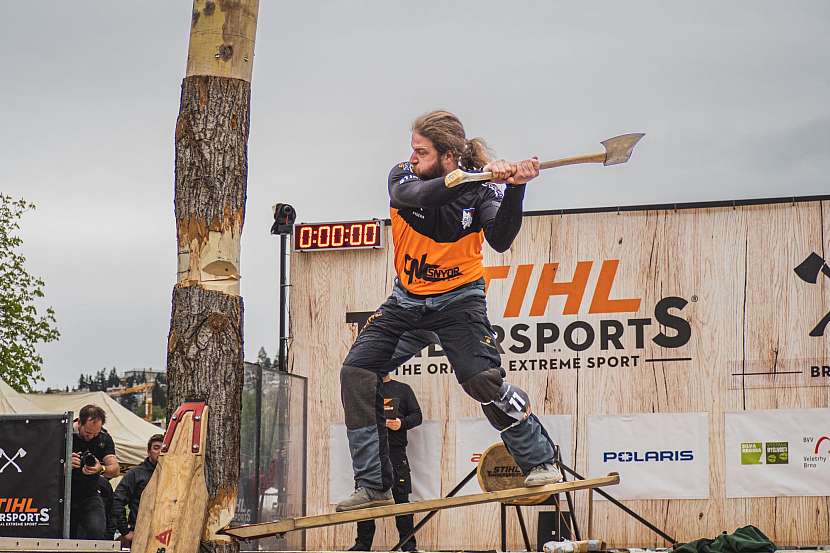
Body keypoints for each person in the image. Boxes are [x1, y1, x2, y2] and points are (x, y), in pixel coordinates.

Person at [337, 110, 562, 512]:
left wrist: (513, 188)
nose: (412, 157)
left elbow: (501, 239)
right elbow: (421, 197)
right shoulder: (404, 177)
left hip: (459, 301)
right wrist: (467, 177)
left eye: (421, 151)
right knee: (357, 371)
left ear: (447, 155)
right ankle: (373, 485)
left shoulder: (481, 191)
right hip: (406, 303)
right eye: (412, 149)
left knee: (481, 379)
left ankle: (541, 460)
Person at [350, 375, 422, 551]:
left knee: (401, 501)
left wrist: (401, 423)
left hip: (395, 454)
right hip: (369, 455)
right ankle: (363, 545)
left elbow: (417, 416)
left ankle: (408, 547)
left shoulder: (403, 389)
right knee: (364, 502)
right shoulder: (363, 390)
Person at [70, 404, 120, 539]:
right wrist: (64, 464)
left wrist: (100, 469)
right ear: (79, 422)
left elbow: (115, 469)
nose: (91, 437)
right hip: (63, 494)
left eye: (95, 434)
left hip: (89, 493)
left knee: (97, 530)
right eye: (87, 433)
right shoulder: (63, 432)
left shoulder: (104, 437)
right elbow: (43, 462)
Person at [111, 433, 164, 548]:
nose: (160, 451)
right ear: (149, 451)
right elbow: (117, 500)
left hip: (167, 533)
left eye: (163, 448)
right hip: (140, 533)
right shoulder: (136, 473)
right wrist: (125, 531)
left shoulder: (175, 475)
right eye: (156, 448)